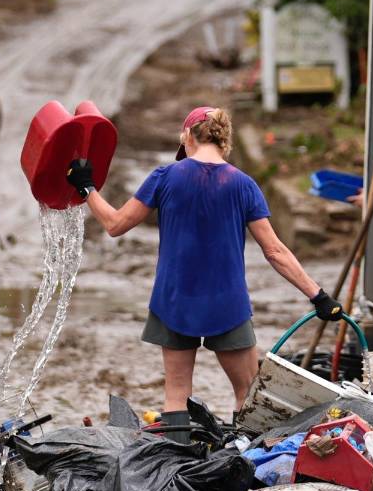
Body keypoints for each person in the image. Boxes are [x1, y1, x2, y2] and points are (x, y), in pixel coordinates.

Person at [66, 106, 341, 432]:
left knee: (176, 394)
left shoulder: (165, 177)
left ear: (188, 137)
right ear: (224, 142)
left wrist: (87, 188)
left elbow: (114, 225)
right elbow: (275, 251)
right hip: (228, 303)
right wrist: (318, 295)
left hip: (174, 300)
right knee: (247, 393)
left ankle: (174, 470)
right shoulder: (243, 185)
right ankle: (243, 465)